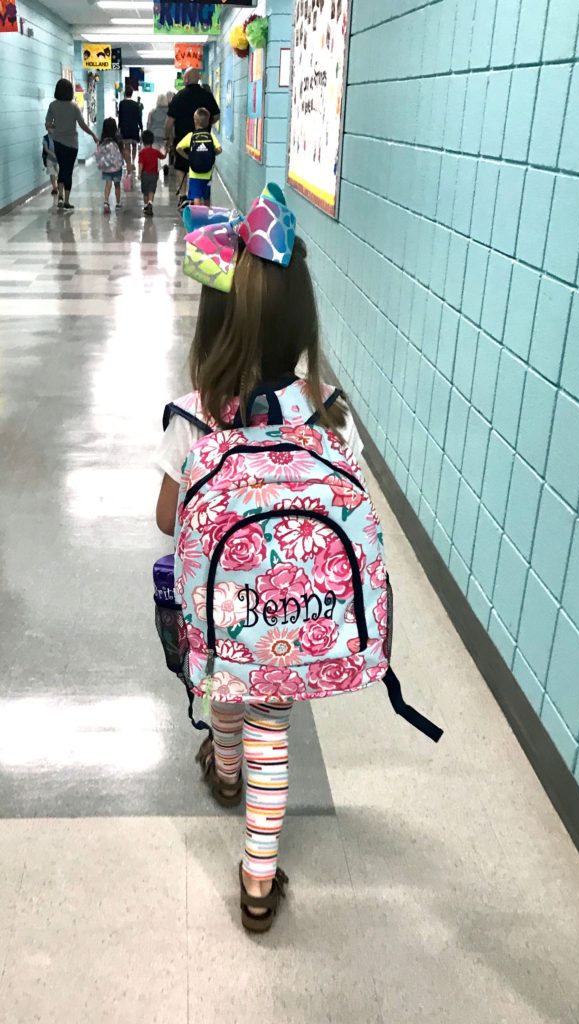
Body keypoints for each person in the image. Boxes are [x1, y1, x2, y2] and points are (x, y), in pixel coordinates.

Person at [155, 187, 366, 932]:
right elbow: (348, 502)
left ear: (210, 327)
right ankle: (257, 878)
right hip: (293, 617)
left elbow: (165, 520)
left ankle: (224, 768)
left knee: (227, 687)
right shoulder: (331, 413)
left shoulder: (192, 418)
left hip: (224, 614)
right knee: (276, 724)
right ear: (304, 325)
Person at [165, 68, 220, 204]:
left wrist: (168, 139)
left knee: (181, 167)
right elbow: (217, 115)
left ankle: (183, 194)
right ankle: (202, 195)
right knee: (202, 166)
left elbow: (169, 122)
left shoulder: (178, 97)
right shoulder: (207, 96)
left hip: (183, 139)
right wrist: (207, 124)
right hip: (203, 140)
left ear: (186, 79)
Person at [45, 78, 98, 211]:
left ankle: (61, 196)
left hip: (58, 143)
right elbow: (82, 124)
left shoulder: (53, 105)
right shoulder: (73, 106)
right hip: (72, 145)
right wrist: (93, 134)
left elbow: (47, 124)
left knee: (62, 168)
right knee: (67, 171)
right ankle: (66, 200)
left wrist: (54, 131)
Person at [174, 107, 221, 209]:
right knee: (206, 196)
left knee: (196, 196)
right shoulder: (210, 136)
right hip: (207, 173)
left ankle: (198, 214)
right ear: (208, 122)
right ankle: (207, 214)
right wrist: (211, 155)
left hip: (194, 174)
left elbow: (178, 148)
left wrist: (188, 157)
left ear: (195, 121)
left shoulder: (191, 136)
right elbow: (219, 149)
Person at [95, 117, 124, 214]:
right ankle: (118, 203)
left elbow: (98, 152)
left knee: (108, 184)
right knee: (117, 185)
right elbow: (122, 152)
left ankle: (106, 202)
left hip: (106, 167)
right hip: (116, 167)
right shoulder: (118, 139)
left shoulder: (102, 140)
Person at [138, 129, 167, 216]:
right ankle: (150, 203)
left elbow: (141, 164)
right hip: (154, 174)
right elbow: (162, 157)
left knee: (145, 192)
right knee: (151, 190)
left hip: (145, 174)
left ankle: (146, 206)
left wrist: (139, 174)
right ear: (152, 140)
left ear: (142, 141)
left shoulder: (142, 152)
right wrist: (166, 152)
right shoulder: (155, 152)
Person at [117, 87, 142, 173]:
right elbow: (139, 117)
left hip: (125, 128)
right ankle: (133, 162)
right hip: (134, 128)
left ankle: (128, 163)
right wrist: (141, 127)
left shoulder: (121, 104)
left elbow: (120, 117)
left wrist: (119, 127)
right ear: (132, 93)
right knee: (134, 146)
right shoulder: (136, 104)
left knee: (127, 146)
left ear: (125, 93)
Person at [147, 94, 170, 176]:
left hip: (154, 134)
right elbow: (170, 124)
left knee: (155, 152)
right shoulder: (169, 112)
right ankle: (165, 165)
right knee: (164, 150)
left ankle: (157, 167)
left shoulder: (152, 111)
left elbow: (149, 123)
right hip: (164, 134)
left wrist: (148, 132)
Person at [42, 130, 59, 196]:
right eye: (49, 128)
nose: (51, 130)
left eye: (52, 128)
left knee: (58, 172)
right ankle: (54, 188)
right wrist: (52, 154)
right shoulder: (45, 138)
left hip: (58, 158)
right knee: (52, 173)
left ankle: (58, 185)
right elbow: (46, 149)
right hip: (49, 158)